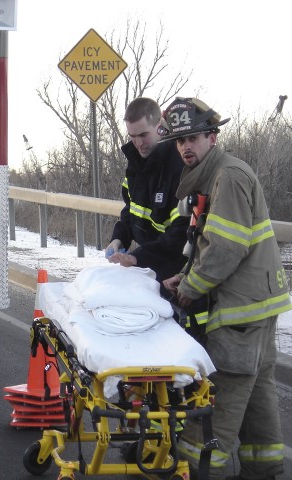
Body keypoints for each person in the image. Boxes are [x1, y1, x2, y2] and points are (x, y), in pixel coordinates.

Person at [160, 97, 291, 480]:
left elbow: (225, 247)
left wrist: (190, 288)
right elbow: (206, 241)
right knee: (258, 395)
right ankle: (263, 468)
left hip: (240, 311)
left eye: (194, 138)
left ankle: (200, 470)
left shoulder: (228, 177)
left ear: (213, 137)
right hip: (259, 305)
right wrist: (185, 274)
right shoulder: (217, 175)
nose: (186, 147)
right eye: (180, 141)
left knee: (223, 396)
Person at [105, 97, 189, 287]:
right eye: (132, 136)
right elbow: (132, 210)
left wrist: (138, 258)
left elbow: (181, 233)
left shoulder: (179, 166)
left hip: (177, 272)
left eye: (143, 135)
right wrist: (119, 239)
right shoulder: (136, 165)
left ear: (160, 126)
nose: (138, 143)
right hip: (148, 268)